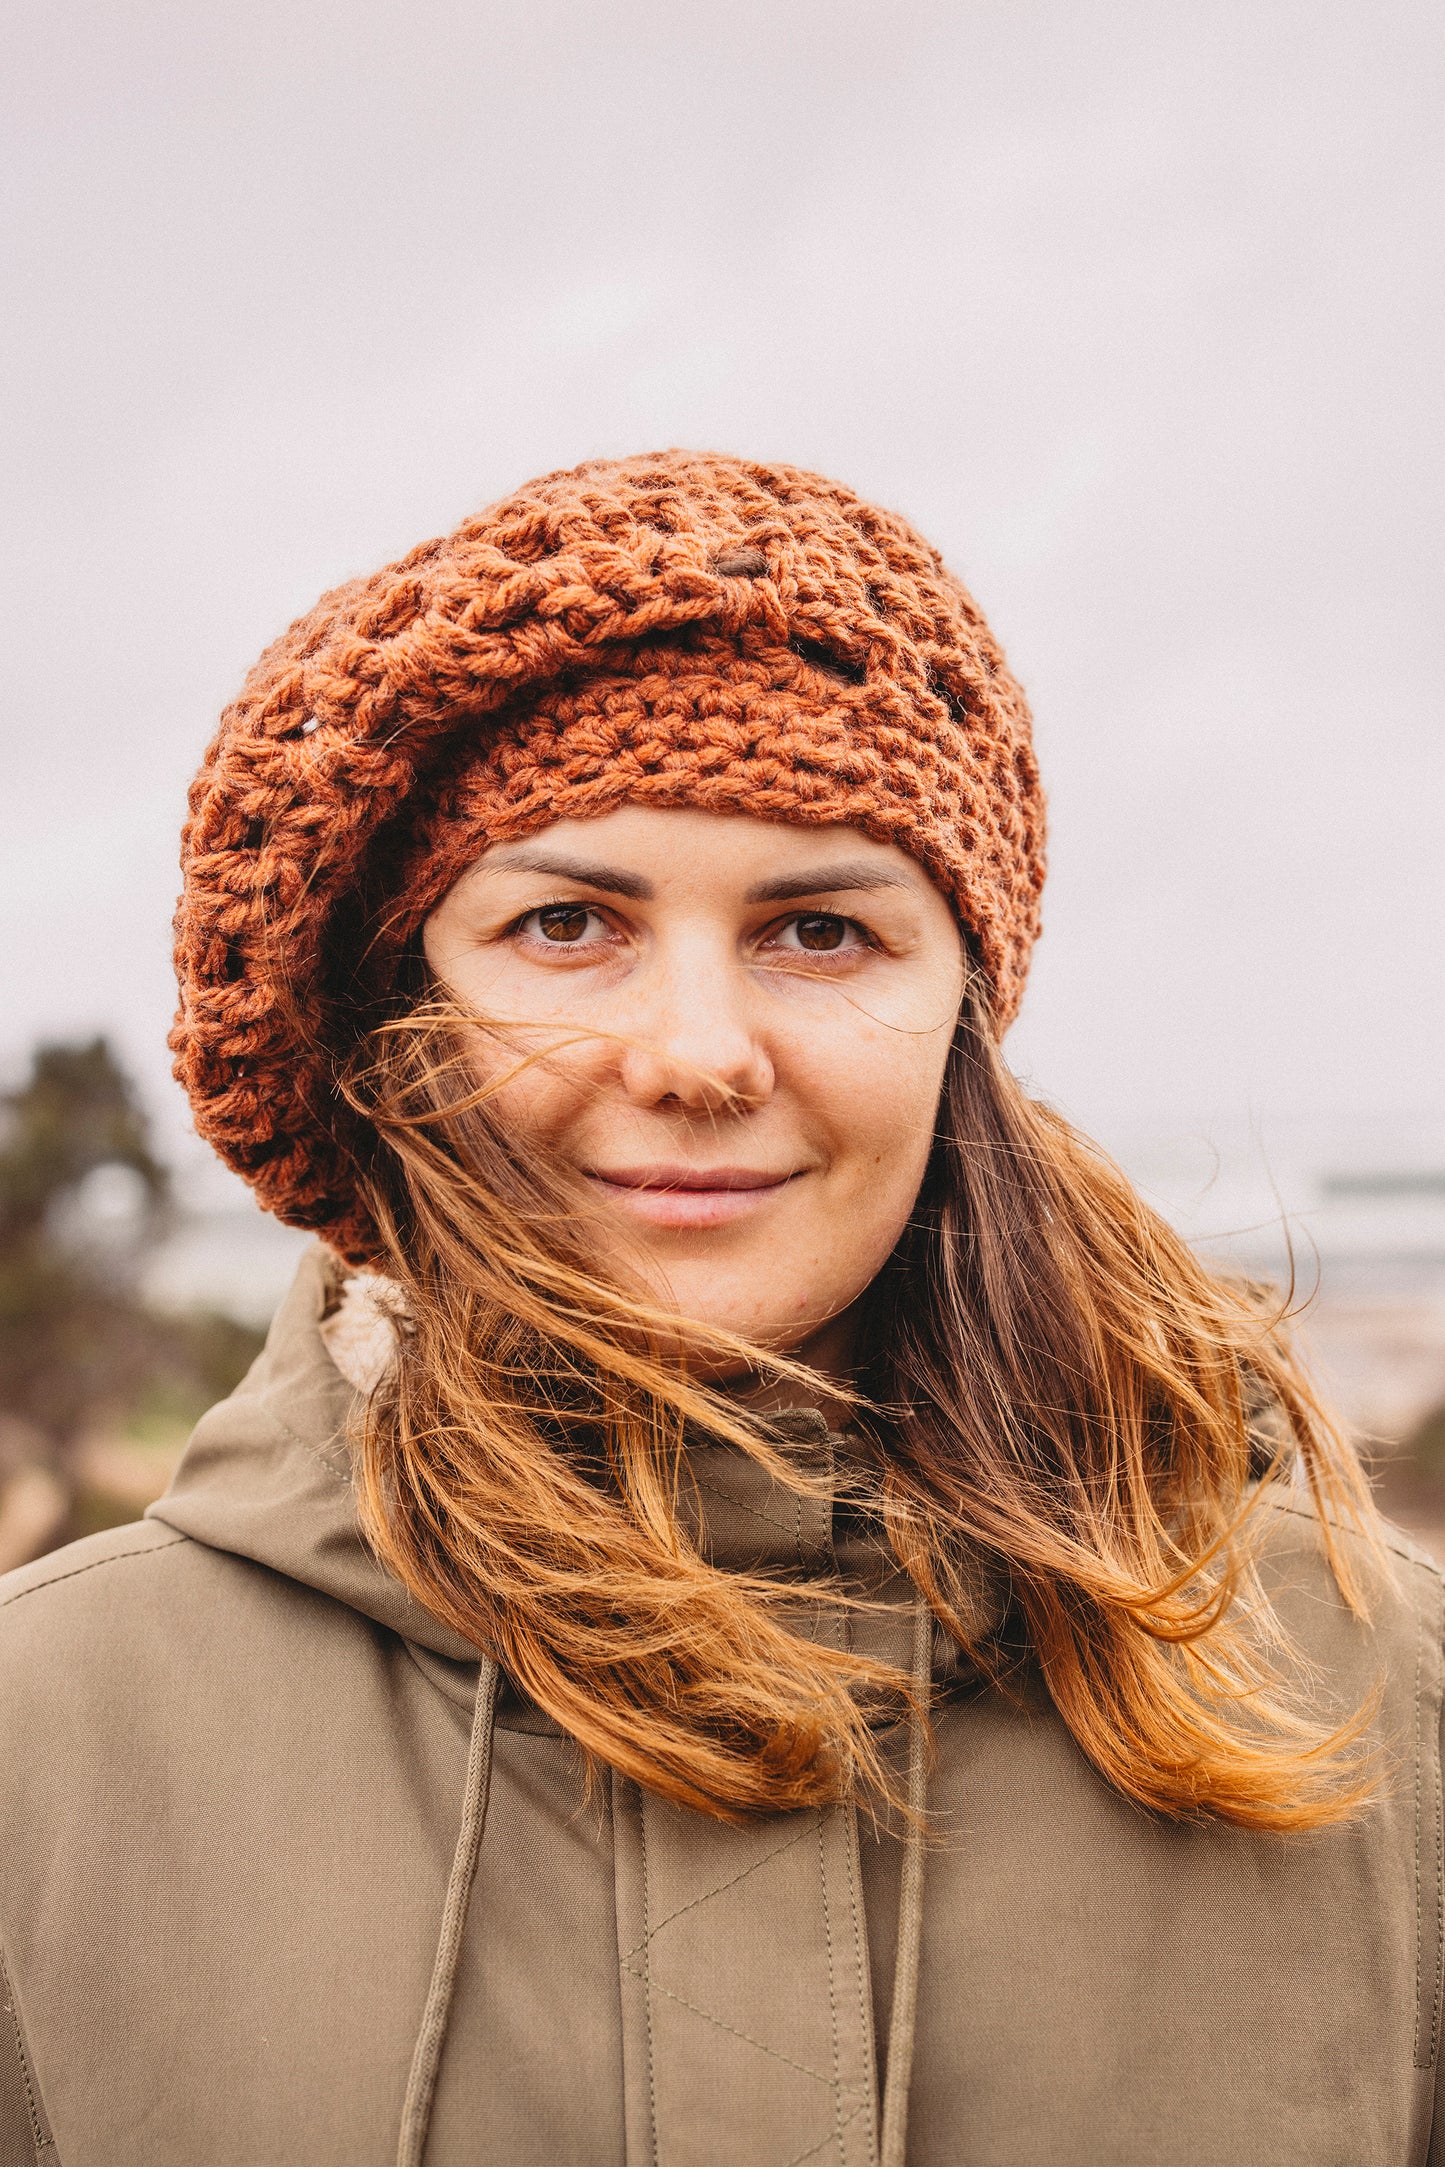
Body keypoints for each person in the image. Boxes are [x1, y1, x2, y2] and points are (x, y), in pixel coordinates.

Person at [0, 450, 1438, 2167]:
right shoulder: (53, 1741)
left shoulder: (1370, 1704)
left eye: (821, 931)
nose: (695, 1055)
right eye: (563, 925)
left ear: (962, 1003)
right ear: (395, 1010)